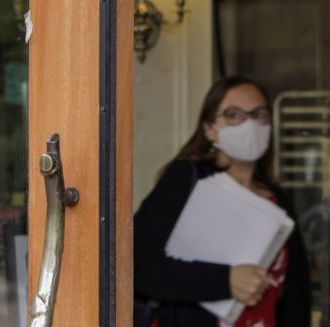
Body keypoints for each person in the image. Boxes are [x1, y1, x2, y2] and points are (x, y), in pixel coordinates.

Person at [133, 76, 312, 327]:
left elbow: (296, 294)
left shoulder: (276, 199)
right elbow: (138, 265)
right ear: (209, 129)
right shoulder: (186, 179)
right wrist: (225, 281)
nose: (248, 125)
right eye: (233, 115)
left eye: (258, 114)